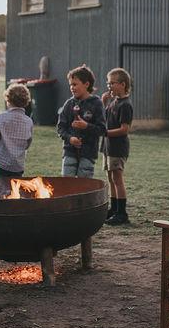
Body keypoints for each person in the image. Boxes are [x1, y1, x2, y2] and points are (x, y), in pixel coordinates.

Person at [57, 65, 106, 178]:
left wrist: (86, 126)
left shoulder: (96, 104)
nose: (72, 88)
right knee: (67, 185)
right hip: (69, 152)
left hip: (88, 154)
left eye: (75, 84)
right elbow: (60, 128)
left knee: (83, 186)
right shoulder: (69, 104)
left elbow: (102, 129)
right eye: (70, 85)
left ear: (86, 84)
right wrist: (70, 138)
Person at [101, 68, 134, 225]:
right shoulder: (113, 102)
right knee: (110, 177)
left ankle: (122, 213)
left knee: (117, 179)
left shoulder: (125, 105)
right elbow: (103, 118)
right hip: (108, 147)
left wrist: (105, 133)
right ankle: (113, 209)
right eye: (108, 83)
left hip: (118, 147)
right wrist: (103, 102)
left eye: (112, 83)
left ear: (122, 84)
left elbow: (124, 129)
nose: (109, 86)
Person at [0, 84, 34, 179]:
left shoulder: (1, 117)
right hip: (17, 167)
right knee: (14, 192)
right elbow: (27, 144)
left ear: (8, 100)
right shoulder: (29, 121)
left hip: (0, 164)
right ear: (26, 101)